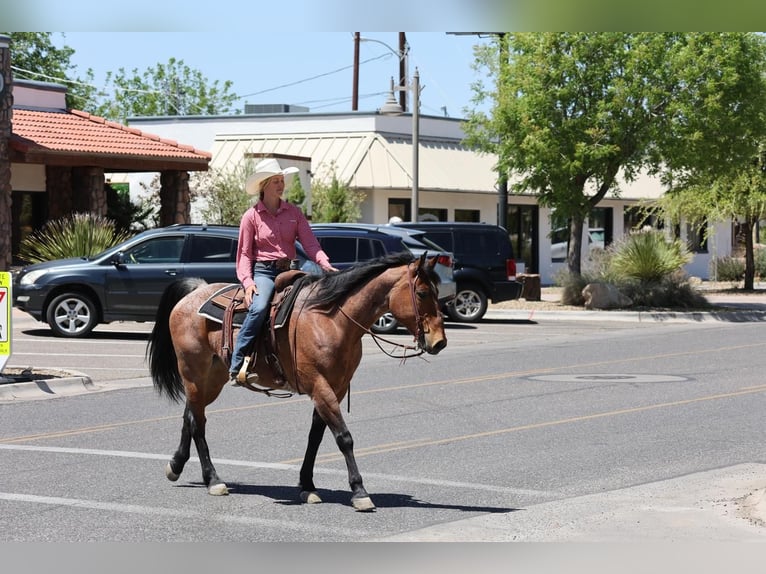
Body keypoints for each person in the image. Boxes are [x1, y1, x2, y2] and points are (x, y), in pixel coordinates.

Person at [229, 158, 337, 386]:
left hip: (292, 270)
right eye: (276, 181)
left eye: (282, 180)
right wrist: (248, 283)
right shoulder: (251, 216)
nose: (281, 185)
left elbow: (311, 244)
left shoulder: (294, 213)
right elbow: (244, 254)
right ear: (264, 185)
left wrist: (325, 264)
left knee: (316, 303)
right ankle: (237, 364)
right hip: (265, 273)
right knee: (259, 308)